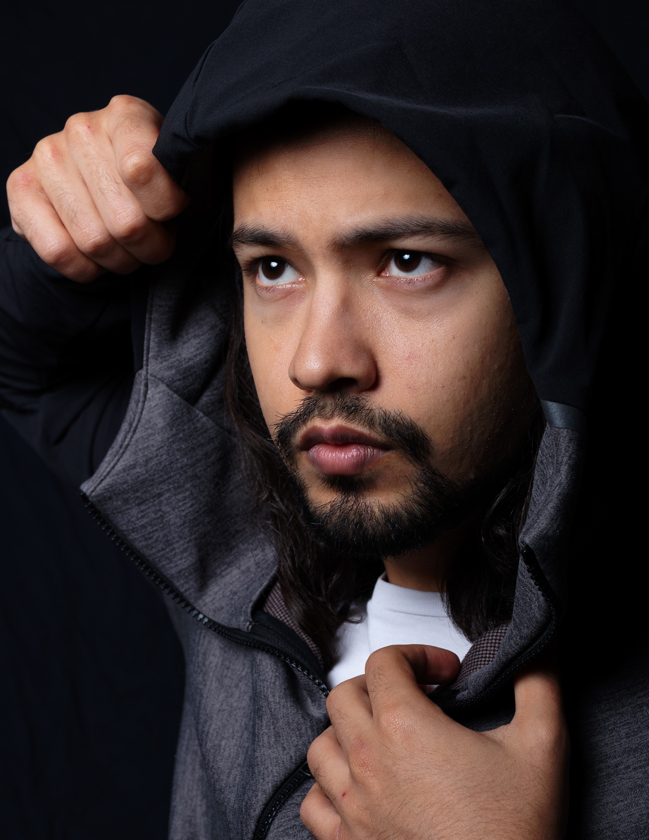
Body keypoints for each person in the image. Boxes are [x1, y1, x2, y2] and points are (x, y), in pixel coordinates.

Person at [2, 0, 647, 837]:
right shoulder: (237, 552)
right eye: (274, 268)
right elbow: (25, 359)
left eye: (406, 262)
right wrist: (83, 215)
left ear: (566, 285)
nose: (315, 361)